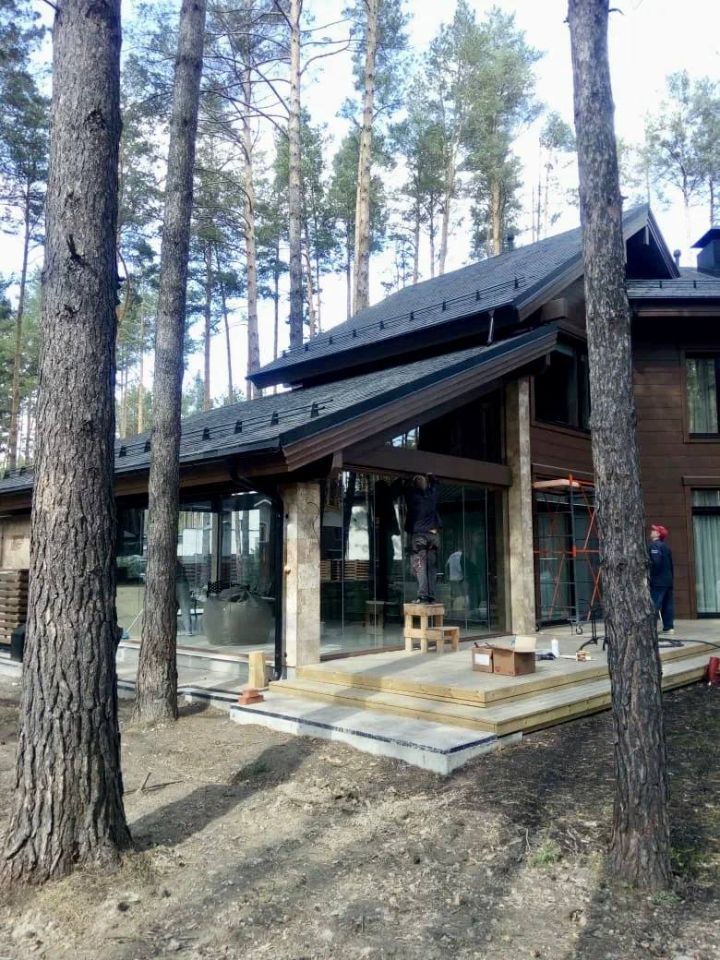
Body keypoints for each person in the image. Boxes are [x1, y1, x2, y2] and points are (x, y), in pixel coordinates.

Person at [402, 474, 441, 603]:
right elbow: (436, 484)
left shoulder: (413, 497)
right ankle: (431, 595)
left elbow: (406, 488)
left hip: (419, 536)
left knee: (420, 566)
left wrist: (408, 479)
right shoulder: (432, 495)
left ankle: (423, 595)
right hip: (433, 536)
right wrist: (431, 477)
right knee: (431, 567)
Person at [648, 523, 674, 634]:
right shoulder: (666, 547)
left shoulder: (655, 546)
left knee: (655, 604)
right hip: (668, 580)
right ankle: (669, 628)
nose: (651, 531)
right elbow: (670, 565)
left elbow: (656, 563)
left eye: (654, 530)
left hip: (658, 581)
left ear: (658, 534)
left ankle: (650, 629)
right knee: (667, 605)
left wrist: (651, 575)